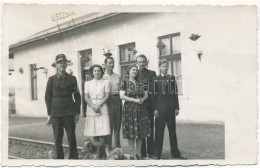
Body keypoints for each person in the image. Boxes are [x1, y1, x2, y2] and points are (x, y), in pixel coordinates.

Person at [45, 54, 81, 159]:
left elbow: (77, 96)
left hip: (69, 112)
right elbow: (47, 97)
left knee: (71, 137)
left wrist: (77, 112)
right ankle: (59, 159)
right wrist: (49, 114)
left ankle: (73, 159)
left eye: (64, 63)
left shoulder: (72, 78)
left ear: (66, 64)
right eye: (60, 63)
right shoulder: (51, 79)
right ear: (56, 65)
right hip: (56, 113)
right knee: (57, 138)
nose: (62, 65)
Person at [151, 59, 187, 160]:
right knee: (159, 132)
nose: (165, 68)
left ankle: (175, 153)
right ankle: (157, 154)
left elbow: (175, 94)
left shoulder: (172, 78)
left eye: (166, 66)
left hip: (171, 109)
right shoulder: (155, 79)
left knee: (172, 132)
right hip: (160, 110)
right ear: (159, 67)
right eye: (163, 66)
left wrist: (176, 108)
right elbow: (153, 96)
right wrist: (154, 109)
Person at [120, 64, 151, 160]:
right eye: (133, 70)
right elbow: (122, 96)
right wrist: (134, 100)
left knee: (140, 132)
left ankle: (139, 154)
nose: (135, 71)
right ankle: (132, 155)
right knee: (131, 132)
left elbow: (146, 94)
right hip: (129, 109)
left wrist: (143, 99)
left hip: (141, 109)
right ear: (129, 71)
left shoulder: (141, 82)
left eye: (136, 70)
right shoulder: (124, 82)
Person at [84, 64, 110, 157]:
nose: (97, 72)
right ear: (92, 72)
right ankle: (97, 155)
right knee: (94, 132)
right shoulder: (87, 83)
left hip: (102, 107)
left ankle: (103, 154)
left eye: (98, 70)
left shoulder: (105, 82)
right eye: (95, 71)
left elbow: (107, 95)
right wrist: (93, 106)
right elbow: (86, 97)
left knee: (103, 132)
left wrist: (99, 105)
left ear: (101, 72)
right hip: (91, 108)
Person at [136, 54, 156, 158]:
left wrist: (154, 106)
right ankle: (142, 152)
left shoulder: (152, 73)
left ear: (146, 62)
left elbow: (154, 90)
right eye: (139, 62)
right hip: (138, 105)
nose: (141, 64)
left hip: (149, 105)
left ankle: (151, 152)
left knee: (150, 129)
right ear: (137, 63)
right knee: (140, 130)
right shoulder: (135, 73)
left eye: (143, 61)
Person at [102, 57, 122, 150]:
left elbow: (122, 90)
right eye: (109, 63)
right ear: (105, 64)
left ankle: (117, 147)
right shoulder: (102, 77)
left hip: (117, 100)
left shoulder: (118, 76)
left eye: (113, 63)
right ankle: (108, 147)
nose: (111, 65)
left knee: (117, 125)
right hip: (107, 101)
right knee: (109, 125)